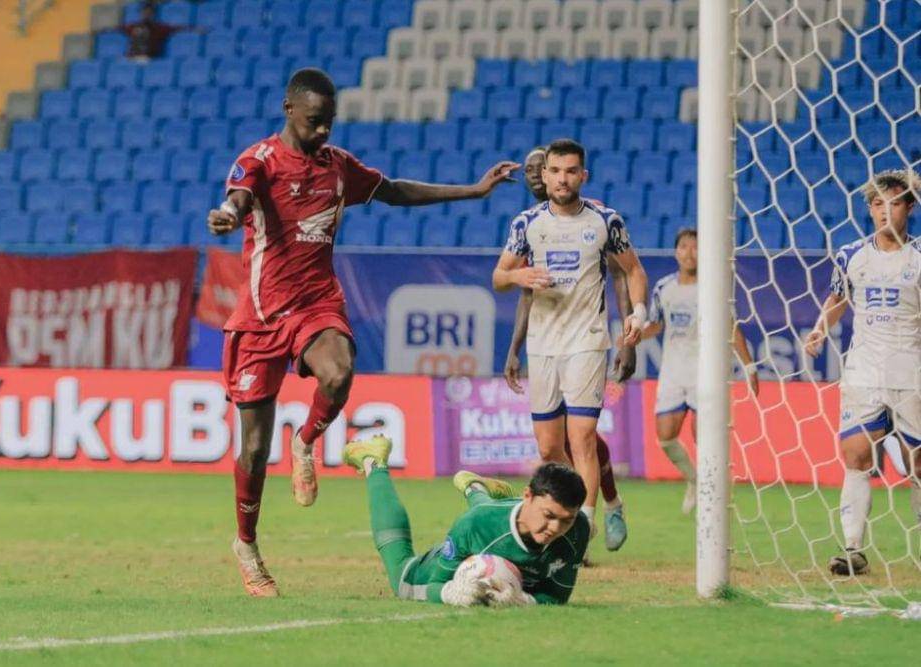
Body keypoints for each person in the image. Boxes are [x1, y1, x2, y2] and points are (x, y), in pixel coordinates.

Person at [206, 68, 520, 597]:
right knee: (254, 450)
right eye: (314, 121)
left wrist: (473, 190)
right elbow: (237, 199)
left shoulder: (338, 166)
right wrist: (227, 215)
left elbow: (393, 191)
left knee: (339, 372)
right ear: (288, 110)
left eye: (329, 121)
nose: (323, 130)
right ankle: (247, 545)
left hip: (315, 304)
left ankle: (305, 441)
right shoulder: (258, 161)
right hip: (260, 316)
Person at [491, 138, 648, 550]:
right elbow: (500, 277)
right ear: (546, 176)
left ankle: (583, 528)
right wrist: (518, 276)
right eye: (555, 171)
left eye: (571, 171)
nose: (562, 179)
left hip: (587, 340)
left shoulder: (604, 220)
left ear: (583, 175)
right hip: (543, 344)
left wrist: (636, 316)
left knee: (582, 438)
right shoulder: (526, 224)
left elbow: (631, 271)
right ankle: (598, 502)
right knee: (549, 448)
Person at [804, 169, 921, 576]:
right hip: (863, 371)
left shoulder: (919, 256)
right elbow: (838, 297)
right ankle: (852, 549)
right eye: (877, 203)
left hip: (911, 372)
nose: (885, 211)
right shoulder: (851, 254)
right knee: (855, 455)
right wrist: (820, 328)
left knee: (917, 465)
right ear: (869, 210)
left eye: (895, 203)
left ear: (909, 208)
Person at [343, 435, 590, 606]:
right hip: (468, 546)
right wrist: (449, 593)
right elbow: (435, 584)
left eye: (566, 520)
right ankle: (374, 462)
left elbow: (558, 596)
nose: (556, 528)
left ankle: (475, 487)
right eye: (549, 516)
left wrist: (526, 601)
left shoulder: (577, 529)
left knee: (489, 517)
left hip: (491, 522)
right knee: (403, 583)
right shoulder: (475, 524)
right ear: (527, 496)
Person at [640, 228, 760, 513]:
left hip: (706, 373)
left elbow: (731, 327)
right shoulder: (664, 287)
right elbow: (656, 324)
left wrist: (749, 366)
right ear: (675, 252)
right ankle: (694, 480)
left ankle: (715, 498)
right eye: (684, 246)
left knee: (704, 438)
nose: (689, 253)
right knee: (665, 437)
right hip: (673, 372)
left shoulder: (713, 288)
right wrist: (635, 335)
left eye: (695, 247)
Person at [118, 3, 191, 60]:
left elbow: (176, 28)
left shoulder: (158, 28)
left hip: (147, 58)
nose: (146, 15)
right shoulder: (133, 26)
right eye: (144, 12)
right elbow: (119, 28)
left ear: (152, 14)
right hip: (131, 56)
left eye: (148, 13)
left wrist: (193, 29)